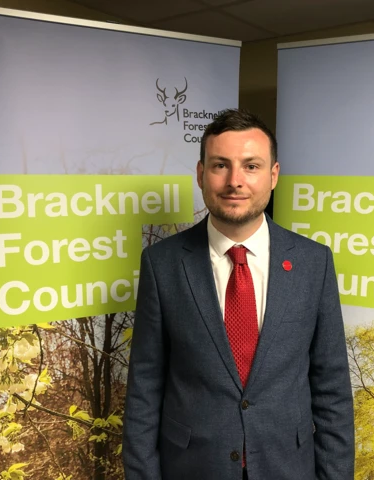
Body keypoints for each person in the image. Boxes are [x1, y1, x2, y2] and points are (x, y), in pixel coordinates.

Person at [122, 109, 354, 480]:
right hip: (191, 468)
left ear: (273, 175)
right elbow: (144, 392)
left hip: (288, 467)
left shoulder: (314, 263)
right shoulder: (161, 265)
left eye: (251, 166)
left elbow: (333, 392)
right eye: (220, 165)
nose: (235, 181)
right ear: (201, 174)